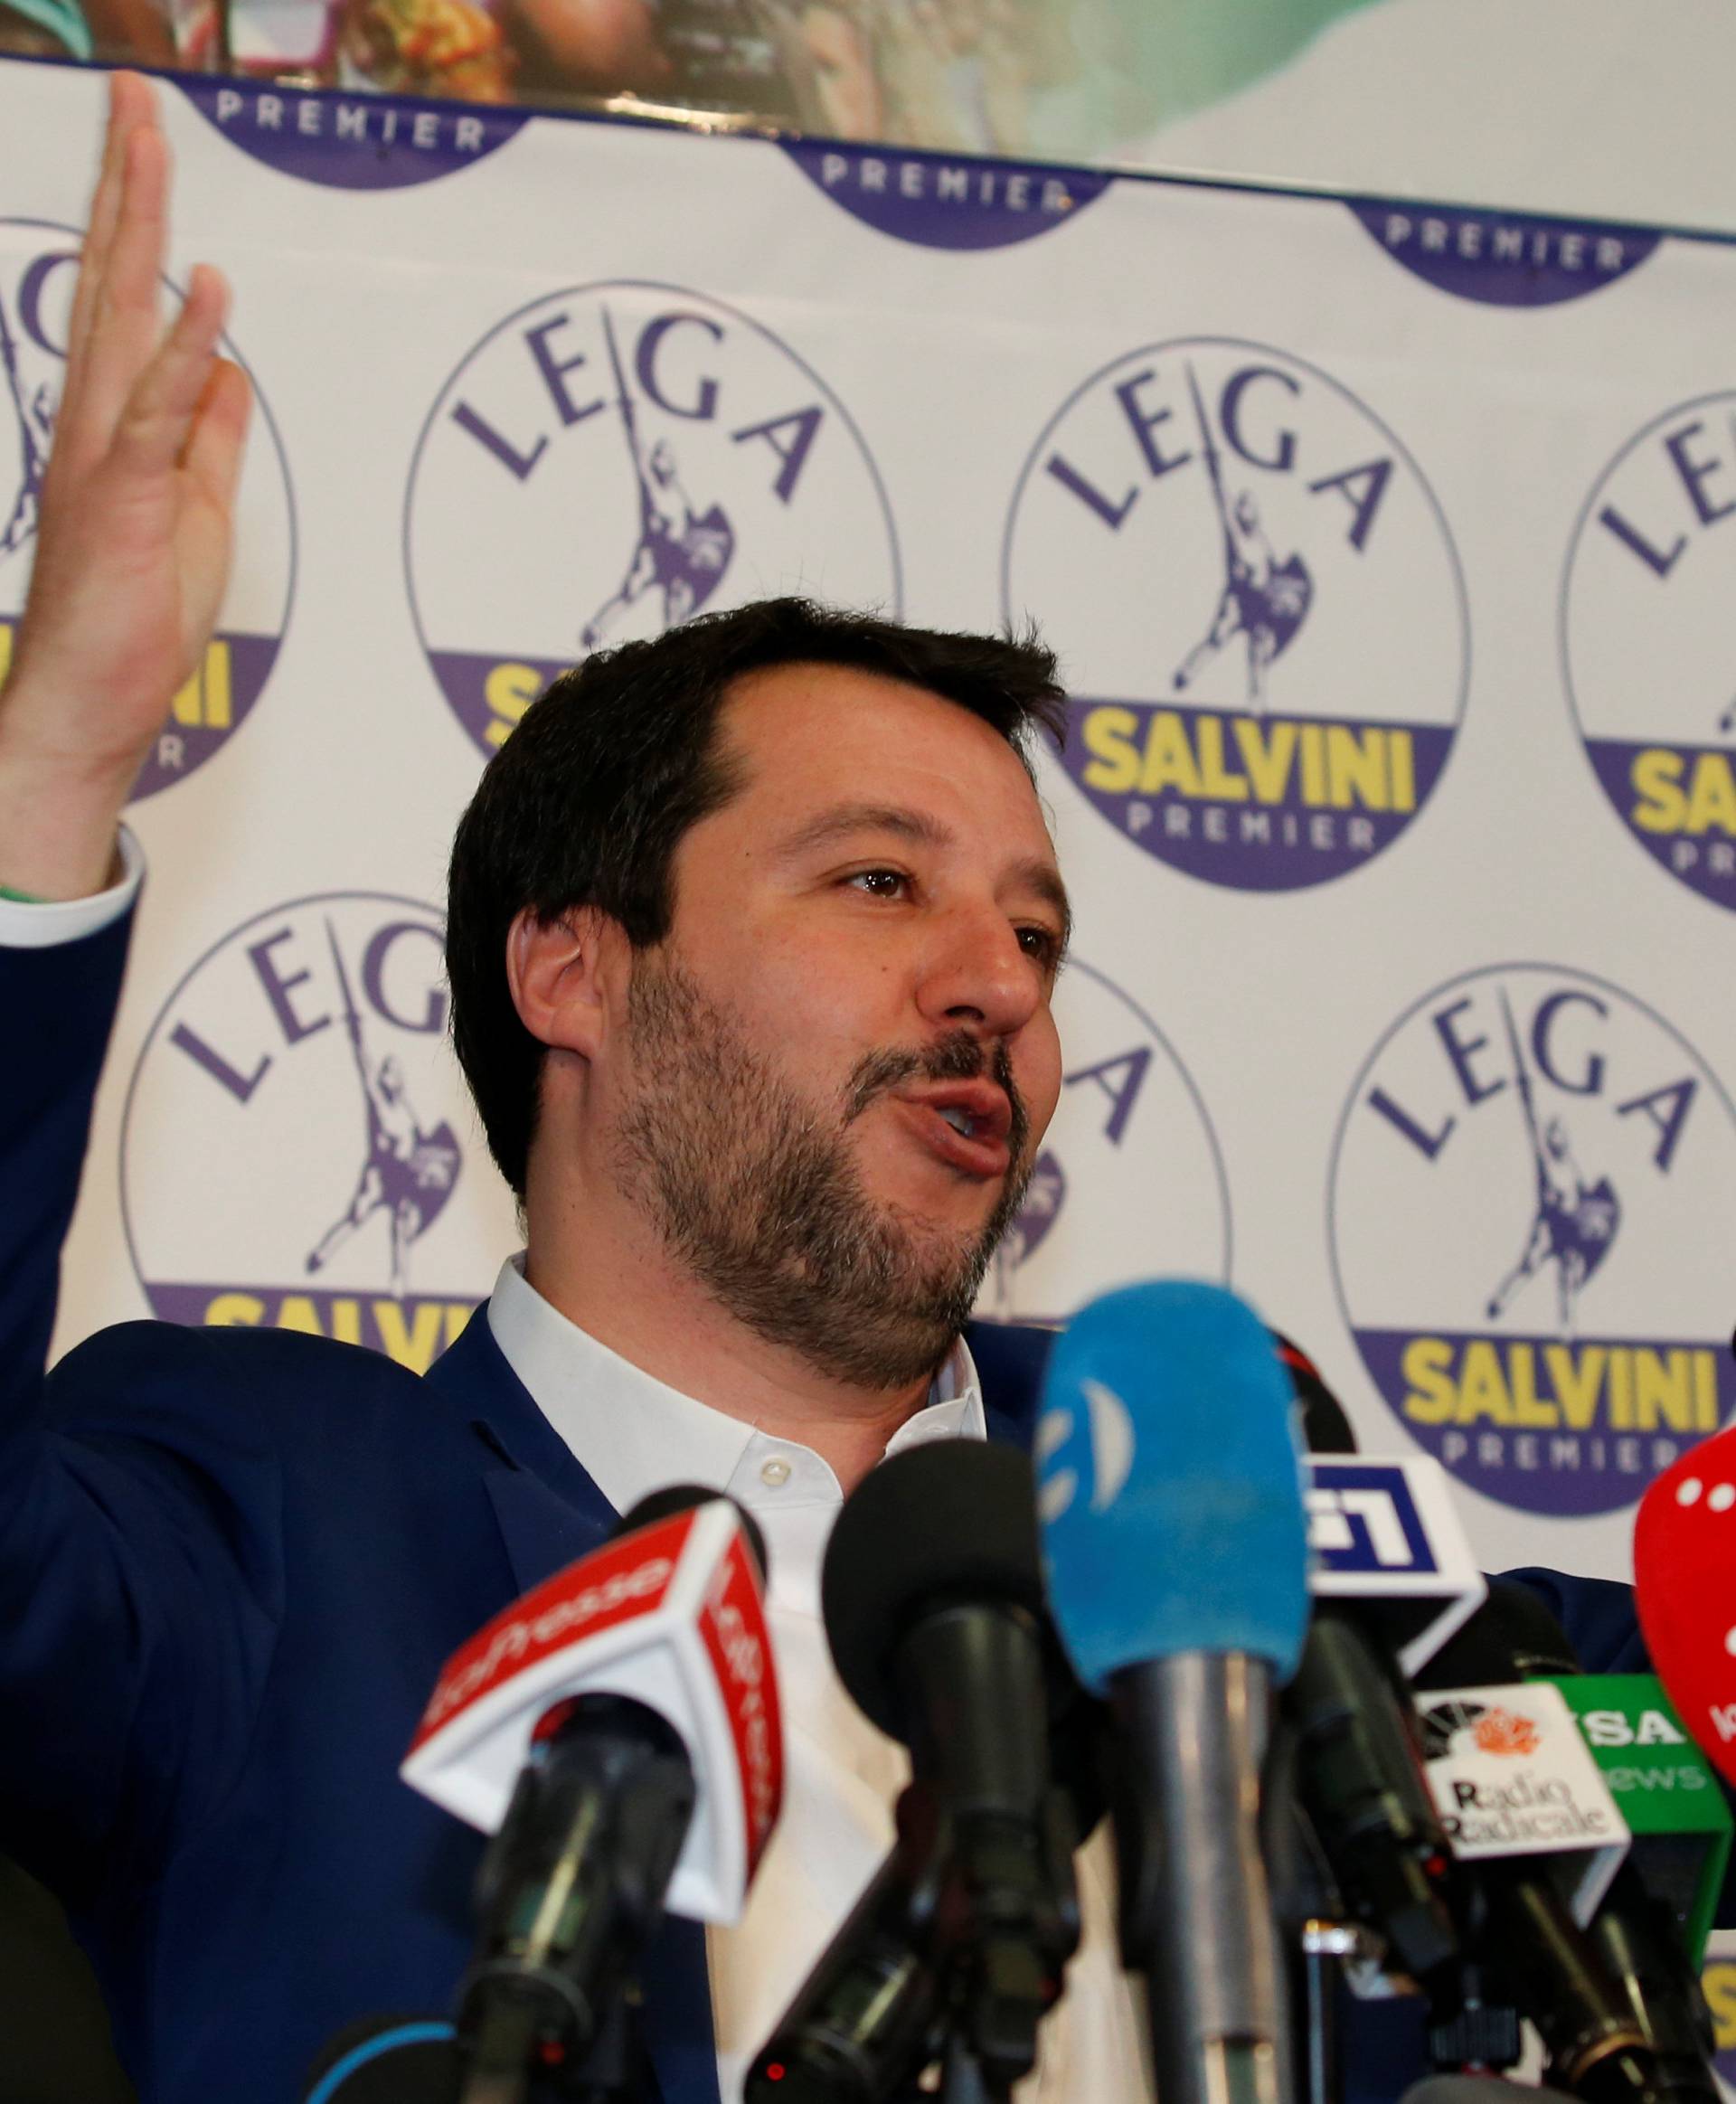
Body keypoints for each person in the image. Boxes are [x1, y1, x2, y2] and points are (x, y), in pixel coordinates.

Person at [0, 71, 1699, 2104]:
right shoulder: (281, 1521)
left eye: (1038, 936)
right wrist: (46, 777)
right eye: (879, 882)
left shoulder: (1253, 1550)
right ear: (574, 968)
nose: (995, 983)